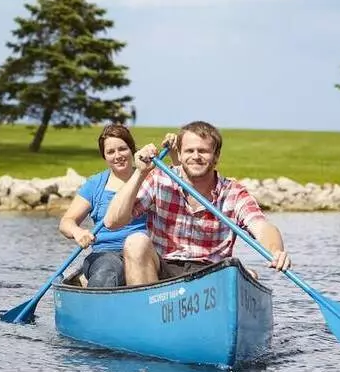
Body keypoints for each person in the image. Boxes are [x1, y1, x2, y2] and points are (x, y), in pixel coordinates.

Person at [103, 120, 292, 285]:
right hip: (165, 272)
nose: (195, 156)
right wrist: (140, 172)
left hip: (213, 273)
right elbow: (112, 222)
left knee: (246, 275)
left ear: (216, 157)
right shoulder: (159, 178)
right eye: (189, 151)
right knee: (135, 242)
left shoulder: (233, 191)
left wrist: (275, 250)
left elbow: (261, 226)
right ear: (180, 153)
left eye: (203, 151)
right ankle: (147, 316)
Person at [58, 123, 148, 287]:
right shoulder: (95, 184)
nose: (118, 155)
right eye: (110, 152)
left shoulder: (149, 178)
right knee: (108, 271)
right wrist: (77, 232)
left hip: (145, 253)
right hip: (106, 254)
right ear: (104, 156)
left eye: (123, 149)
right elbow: (66, 222)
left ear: (132, 149)